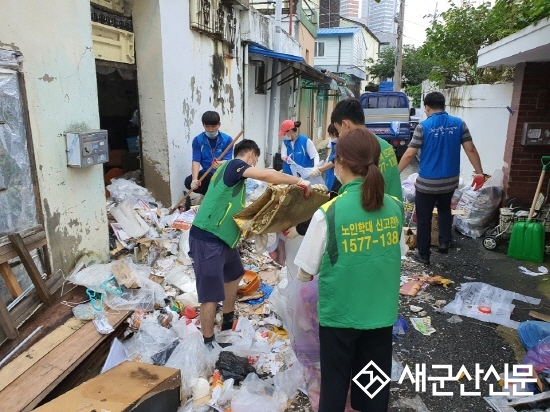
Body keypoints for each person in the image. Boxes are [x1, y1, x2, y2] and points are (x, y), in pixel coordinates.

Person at [295, 128, 403, 412]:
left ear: (341, 162)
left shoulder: (329, 212)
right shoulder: (394, 207)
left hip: (340, 317)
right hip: (380, 315)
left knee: (335, 383)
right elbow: (392, 253)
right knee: (373, 386)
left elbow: (305, 272)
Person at [189, 139, 312, 348]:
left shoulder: (228, 174)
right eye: (255, 159)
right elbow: (267, 175)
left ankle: (227, 321)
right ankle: (207, 343)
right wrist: (298, 181)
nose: (254, 164)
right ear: (251, 155)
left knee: (235, 273)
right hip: (208, 238)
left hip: (224, 240)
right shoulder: (234, 164)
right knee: (210, 293)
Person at [398, 91, 484, 265]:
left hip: (427, 183)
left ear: (427, 107)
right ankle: (444, 242)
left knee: (424, 217)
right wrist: (480, 172)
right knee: (445, 208)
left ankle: (424, 255)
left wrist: (394, 172)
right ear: (444, 106)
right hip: (450, 181)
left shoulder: (423, 127)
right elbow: (471, 149)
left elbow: (409, 154)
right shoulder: (459, 124)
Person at [330, 98, 403, 202]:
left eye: (338, 132)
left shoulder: (356, 151)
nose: (340, 137)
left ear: (345, 125)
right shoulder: (385, 145)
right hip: (394, 210)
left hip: (373, 214)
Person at [184, 111, 234, 197]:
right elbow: (196, 160)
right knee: (188, 181)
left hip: (222, 174)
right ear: (203, 125)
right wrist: (194, 179)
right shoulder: (198, 140)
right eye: (207, 126)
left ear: (219, 124)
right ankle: (210, 196)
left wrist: (221, 164)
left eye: (214, 126)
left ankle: (216, 196)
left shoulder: (227, 140)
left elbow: (228, 160)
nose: (210, 130)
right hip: (207, 173)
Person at [310, 123, 340, 195]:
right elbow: (330, 156)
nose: (332, 137)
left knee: (334, 192)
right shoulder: (333, 142)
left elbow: (335, 161)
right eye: (331, 135)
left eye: (334, 135)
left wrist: (320, 169)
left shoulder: (342, 145)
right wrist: (326, 161)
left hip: (337, 174)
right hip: (330, 173)